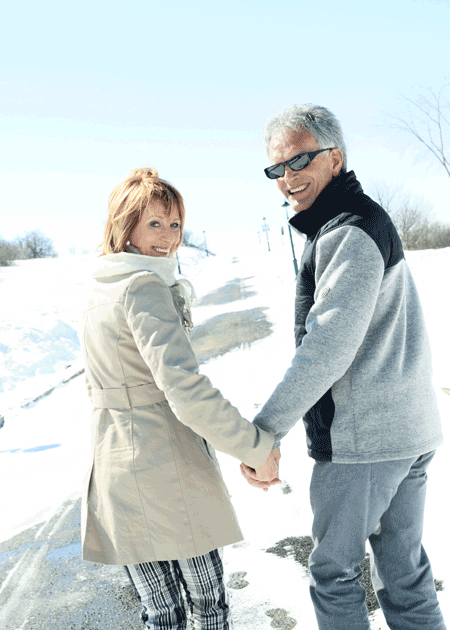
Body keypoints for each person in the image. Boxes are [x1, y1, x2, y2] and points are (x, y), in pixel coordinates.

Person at [240, 105, 446, 630]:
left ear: (335, 157)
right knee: (404, 575)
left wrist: (263, 432)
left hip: (364, 442)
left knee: (334, 573)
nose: (288, 178)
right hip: (404, 430)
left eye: (300, 160)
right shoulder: (355, 221)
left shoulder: (348, 231)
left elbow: (326, 347)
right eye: (277, 169)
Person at [80, 167, 278, 630]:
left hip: (116, 470)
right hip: (165, 467)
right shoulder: (143, 286)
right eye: (154, 223)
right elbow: (184, 389)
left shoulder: (98, 286)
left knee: (161, 615)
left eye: (175, 225)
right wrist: (255, 447)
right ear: (123, 224)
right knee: (207, 605)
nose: (168, 237)